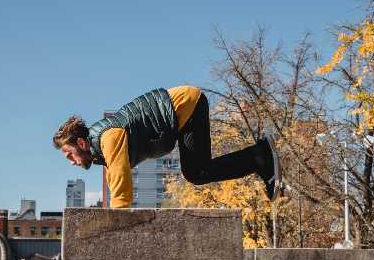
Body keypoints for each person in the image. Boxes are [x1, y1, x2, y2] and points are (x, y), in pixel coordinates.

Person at [53, 85, 281, 208]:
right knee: (197, 172)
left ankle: (260, 156)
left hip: (186, 105)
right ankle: (258, 157)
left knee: (197, 172)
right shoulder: (99, 149)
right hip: (179, 112)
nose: (72, 162)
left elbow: (121, 180)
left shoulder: (109, 137)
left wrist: (117, 220)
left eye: (69, 156)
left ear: (80, 143)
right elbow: (114, 178)